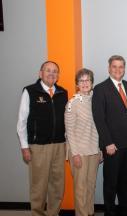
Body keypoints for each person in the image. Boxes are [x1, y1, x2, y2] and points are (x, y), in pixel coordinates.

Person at [16, 61, 68, 216]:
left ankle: (53, 213)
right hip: (38, 146)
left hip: (59, 145)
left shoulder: (62, 93)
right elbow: (21, 121)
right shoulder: (30, 91)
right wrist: (25, 147)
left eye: (55, 71)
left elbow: (66, 119)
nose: (51, 74)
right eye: (48, 70)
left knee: (57, 185)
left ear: (58, 76)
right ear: (40, 73)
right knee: (38, 186)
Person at [92, 55, 127, 216]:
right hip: (112, 146)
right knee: (111, 183)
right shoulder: (100, 88)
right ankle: (109, 213)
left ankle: (125, 211)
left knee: (126, 182)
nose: (118, 70)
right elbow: (99, 118)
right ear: (109, 68)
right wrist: (107, 143)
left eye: (121, 67)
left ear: (124, 69)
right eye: (114, 66)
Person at [65, 68, 101, 216]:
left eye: (88, 80)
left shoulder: (96, 100)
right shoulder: (72, 103)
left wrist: (99, 150)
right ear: (77, 84)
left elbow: (98, 127)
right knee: (81, 187)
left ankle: (89, 212)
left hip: (94, 150)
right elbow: (69, 131)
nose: (85, 83)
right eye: (82, 80)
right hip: (79, 151)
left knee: (91, 185)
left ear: (92, 83)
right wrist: (75, 154)